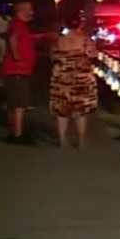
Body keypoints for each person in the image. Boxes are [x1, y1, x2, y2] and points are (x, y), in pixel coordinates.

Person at [49, 14, 98, 148]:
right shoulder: (85, 39)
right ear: (80, 23)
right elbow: (93, 54)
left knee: (61, 110)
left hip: (62, 78)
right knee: (81, 111)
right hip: (80, 78)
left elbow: (52, 56)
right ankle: (81, 141)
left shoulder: (59, 39)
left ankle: (62, 140)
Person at [3, 0, 38, 144]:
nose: (32, 12)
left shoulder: (17, 24)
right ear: (21, 10)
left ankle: (14, 133)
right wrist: (18, 58)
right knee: (19, 104)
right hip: (18, 71)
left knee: (13, 103)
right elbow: (13, 39)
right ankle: (18, 135)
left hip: (14, 71)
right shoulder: (18, 24)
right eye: (29, 9)